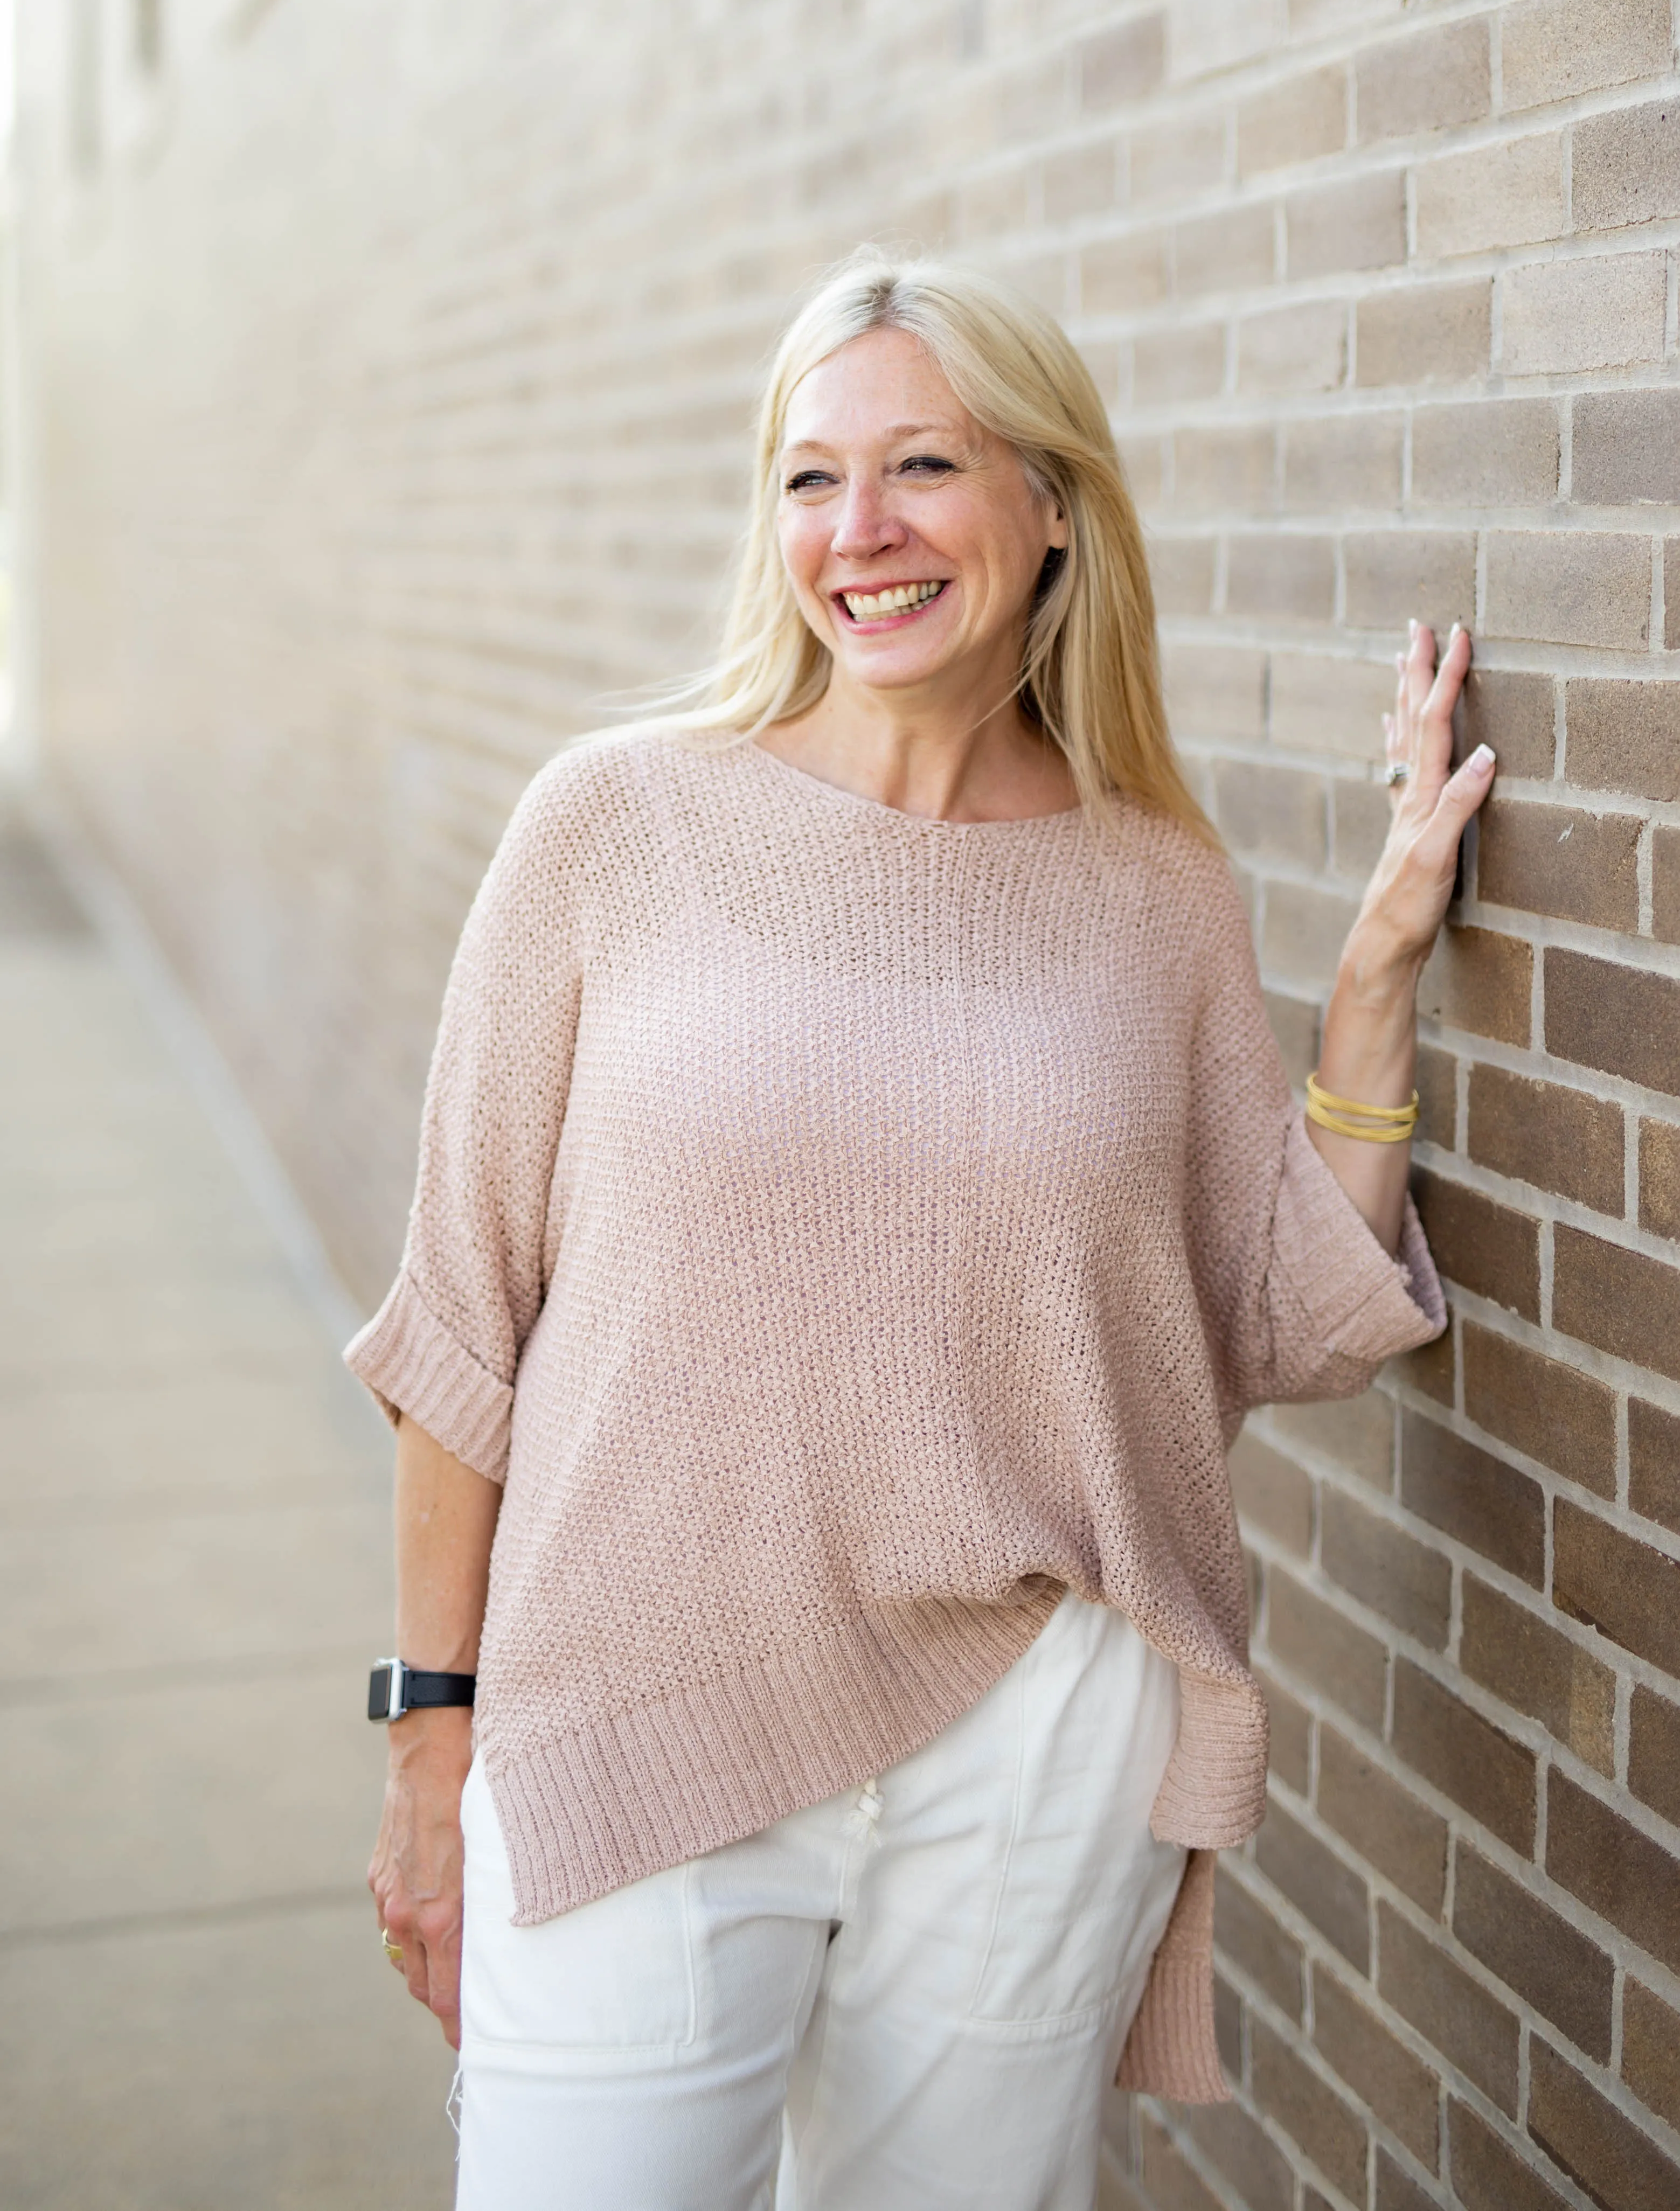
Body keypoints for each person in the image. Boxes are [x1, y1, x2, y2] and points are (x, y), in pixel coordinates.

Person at [349, 251, 1495, 2210]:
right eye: (809, 479)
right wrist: (427, 1742)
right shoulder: (614, 828)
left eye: (922, 469)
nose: (859, 533)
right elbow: (464, 1321)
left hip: (1040, 1750)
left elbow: (1268, 1310)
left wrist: (1382, 961)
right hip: (641, 1703)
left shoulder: (1156, 891)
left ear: (1053, 510)